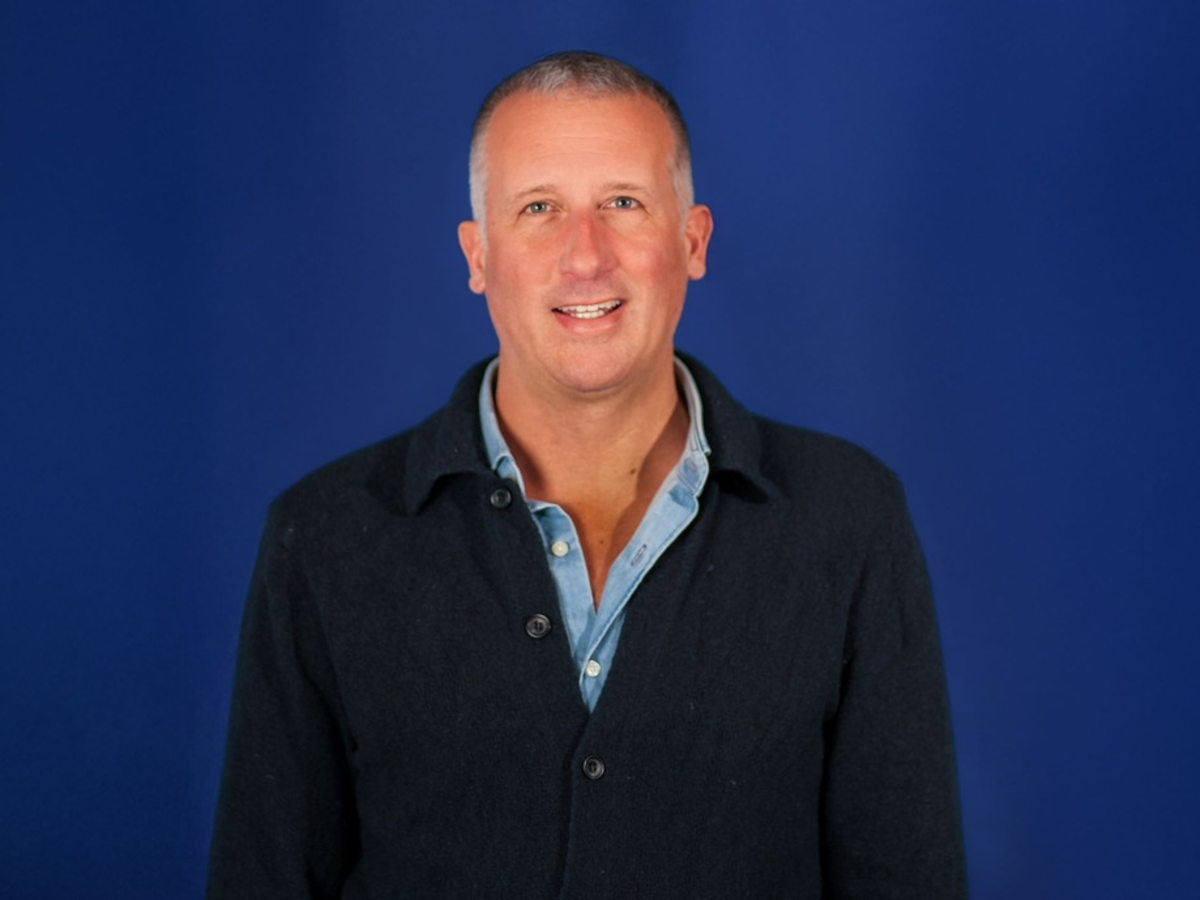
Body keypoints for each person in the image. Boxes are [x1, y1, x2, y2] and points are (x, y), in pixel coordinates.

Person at [207, 51, 968, 899]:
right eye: (539, 208)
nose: (585, 256)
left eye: (623, 203)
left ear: (692, 241)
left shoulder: (847, 518)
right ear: (478, 255)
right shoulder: (326, 537)